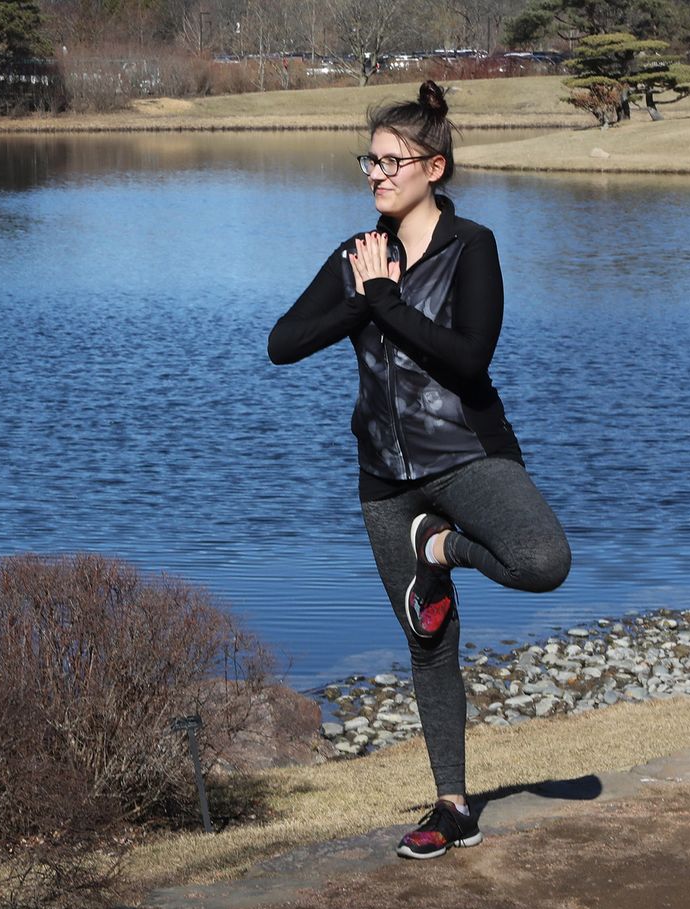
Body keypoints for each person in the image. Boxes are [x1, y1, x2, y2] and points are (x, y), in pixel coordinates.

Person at [266, 80, 572, 860]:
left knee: (541, 561)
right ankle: (452, 806)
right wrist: (365, 298)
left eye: (390, 160)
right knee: (428, 640)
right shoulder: (358, 255)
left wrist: (387, 301)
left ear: (434, 167)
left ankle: (439, 552)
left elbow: (470, 357)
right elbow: (283, 342)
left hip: (468, 454)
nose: (375, 173)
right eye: (368, 159)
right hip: (385, 479)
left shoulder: (474, 247)